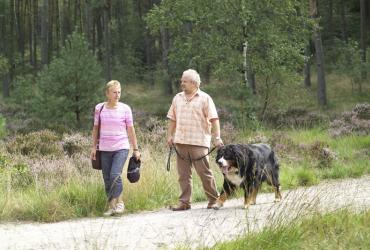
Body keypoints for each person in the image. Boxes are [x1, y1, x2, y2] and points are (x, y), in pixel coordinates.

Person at [167, 69, 224, 211]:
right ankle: (184, 203)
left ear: (194, 83)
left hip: (199, 142)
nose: (182, 83)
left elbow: (214, 120)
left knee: (205, 173)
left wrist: (217, 137)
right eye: (182, 81)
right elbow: (172, 119)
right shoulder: (177, 98)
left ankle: (213, 200)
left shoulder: (205, 98)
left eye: (184, 81)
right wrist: (170, 135)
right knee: (183, 175)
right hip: (180, 141)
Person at [91, 80, 141, 216]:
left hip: (121, 147)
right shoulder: (99, 108)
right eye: (114, 92)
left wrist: (136, 149)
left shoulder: (125, 109)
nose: (117, 95)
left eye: (119, 92)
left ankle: (120, 203)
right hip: (104, 148)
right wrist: (94, 147)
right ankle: (111, 206)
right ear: (107, 93)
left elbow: (131, 130)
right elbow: (95, 129)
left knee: (114, 174)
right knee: (107, 178)